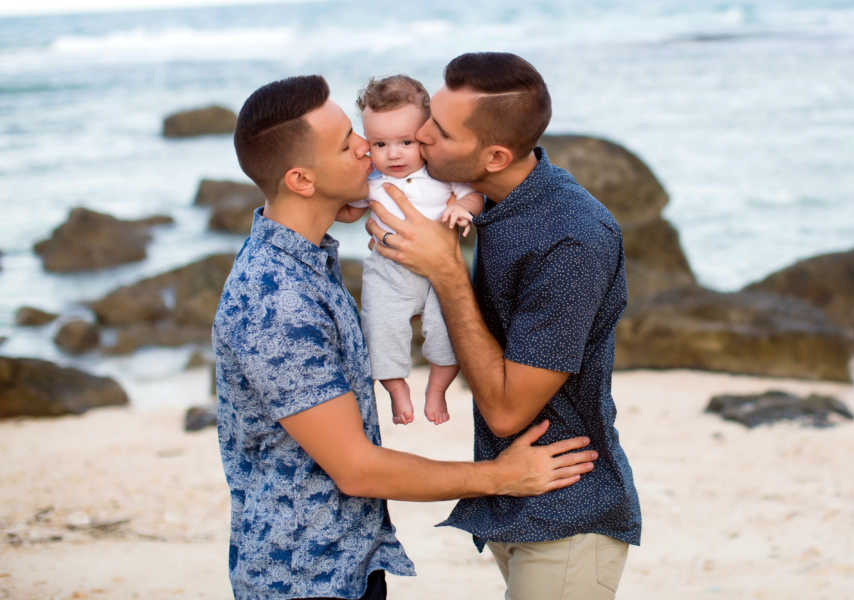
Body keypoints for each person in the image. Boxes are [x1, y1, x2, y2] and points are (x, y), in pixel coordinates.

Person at [213, 74, 600, 600]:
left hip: (345, 563)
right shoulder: (276, 296)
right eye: (348, 143)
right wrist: (499, 477)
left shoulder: (307, 261)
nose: (366, 149)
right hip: (303, 578)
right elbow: (356, 469)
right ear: (302, 180)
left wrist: (347, 204)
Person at [364, 52, 642, 600]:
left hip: (566, 509)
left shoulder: (573, 240)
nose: (418, 135)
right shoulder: (491, 199)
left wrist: (445, 270)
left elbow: (508, 409)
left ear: (493, 155)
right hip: (512, 499)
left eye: (437, 131)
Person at [344, 75, 484, 426]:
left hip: (441, 273)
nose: (393, 154)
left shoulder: (442, 176)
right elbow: (347, 211)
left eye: (405, 141)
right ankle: (396, 390)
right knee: (381, 329)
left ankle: (436, 390)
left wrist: (462, 209)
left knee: (449, 334)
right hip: (388, 273)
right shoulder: (373, 184)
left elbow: (474, 196)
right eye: (379, 144)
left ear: (425, 135)